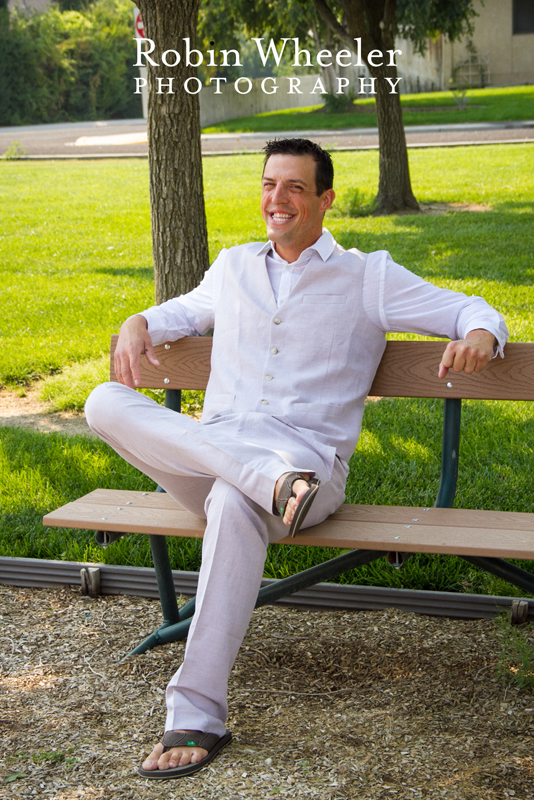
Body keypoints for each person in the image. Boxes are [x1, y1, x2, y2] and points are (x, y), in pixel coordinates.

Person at [85, 138, 508, 780]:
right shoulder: (231, 268)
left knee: (234, 500)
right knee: (103, 401)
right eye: (267, 185)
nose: (276, 200)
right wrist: (141, 319)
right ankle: (261, 478)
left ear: (325, 200)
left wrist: (480, 332)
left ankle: (195, 714)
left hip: (309, 468)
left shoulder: (370, 275)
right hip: (228, 459)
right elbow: (182, 313)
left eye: (294, 188)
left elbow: (465, 308)